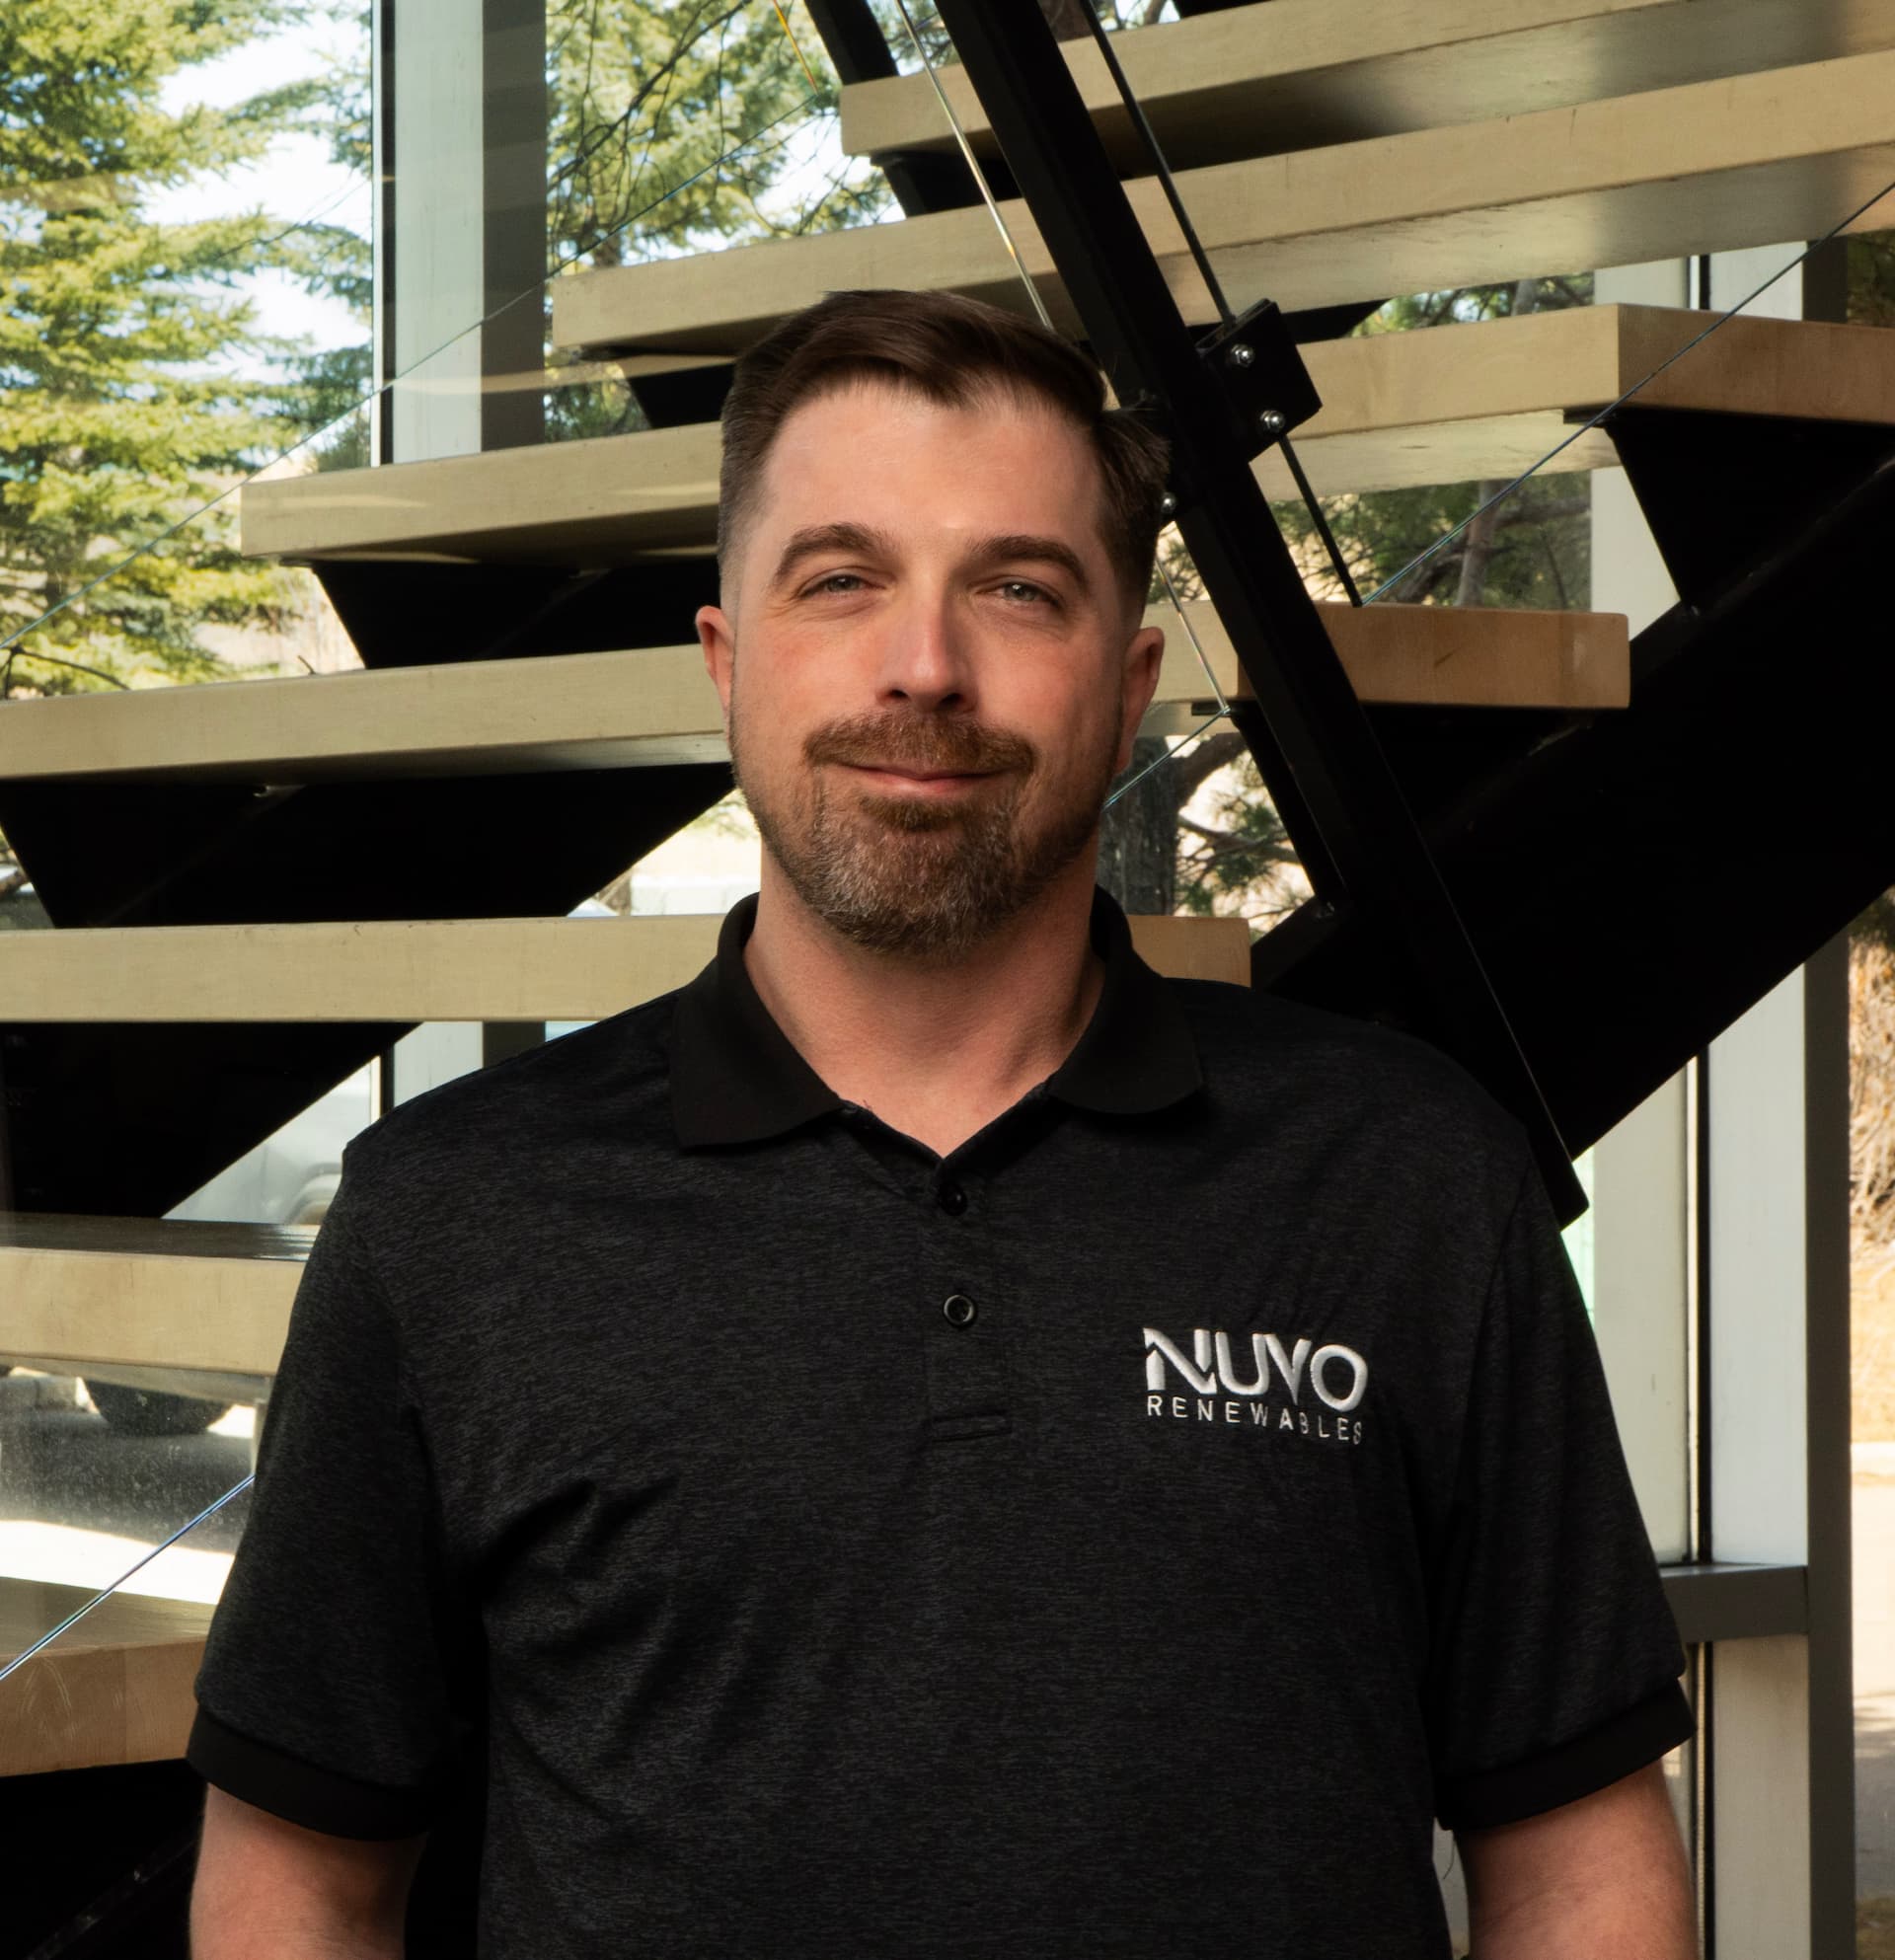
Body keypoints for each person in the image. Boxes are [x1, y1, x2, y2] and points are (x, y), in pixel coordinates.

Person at [189, 286, 1698, 1958]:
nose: (925, 667)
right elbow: (296, 1887)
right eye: (841, 580)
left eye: (1018, 588)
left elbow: (1579, 1863)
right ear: (728, 662)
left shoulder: (1410, 1180)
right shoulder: (452, 1219)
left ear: (1127, 687)